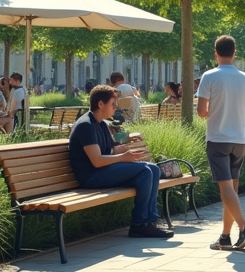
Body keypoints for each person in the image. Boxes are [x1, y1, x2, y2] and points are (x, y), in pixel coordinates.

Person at [68, 85, 172, 239]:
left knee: (153, 169)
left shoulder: (101, 123)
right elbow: (97, 161)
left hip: (103, 171)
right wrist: (124, 157)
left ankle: (147, 222)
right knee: (144, 170)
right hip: (91, 176)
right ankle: (140, 223)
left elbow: (110, 149)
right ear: (101, 104)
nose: (115, 107)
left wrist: (127, 146)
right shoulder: (86, 126)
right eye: (113, 104)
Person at [197, 35, 245, 251]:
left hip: (218, 138)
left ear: (215, 52)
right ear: (235, 53)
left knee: (225, 189)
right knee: (231, 189)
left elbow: (202, 111)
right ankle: (224, 236)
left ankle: (244, 228)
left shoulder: (209, 76)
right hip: (240, 139)